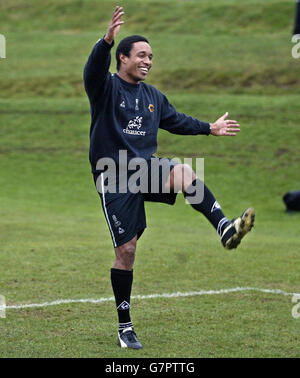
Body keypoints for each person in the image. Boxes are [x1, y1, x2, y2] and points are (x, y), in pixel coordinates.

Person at [83, 6, 255, 350]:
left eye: (151, 56)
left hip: (144, 172)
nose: (148, 60)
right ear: (123, 58)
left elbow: (177, 120)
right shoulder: (105, 88)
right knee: (127, 251)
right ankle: (125, 327)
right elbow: (92, 71)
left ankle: (224, 228)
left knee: (186, 173)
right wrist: (105, 41)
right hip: (113, 175)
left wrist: (210, 128)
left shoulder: (153, 97)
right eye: (141, 55)